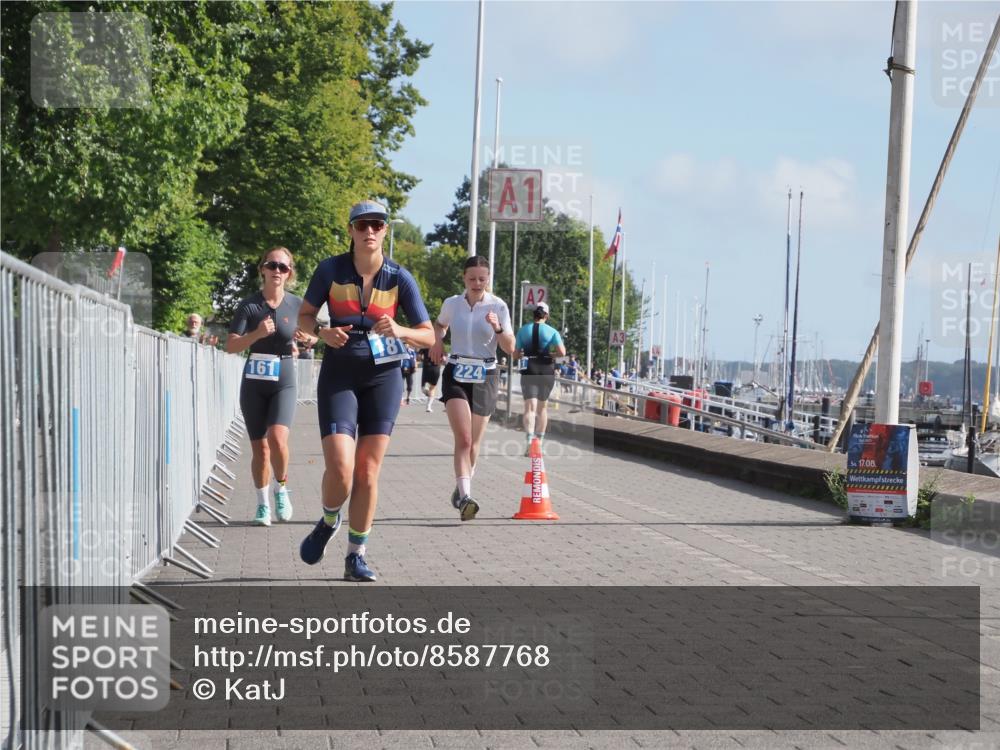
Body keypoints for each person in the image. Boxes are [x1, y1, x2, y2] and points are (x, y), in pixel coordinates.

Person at [297, 200, 434, 582]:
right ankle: (328, 520)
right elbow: (304, 317)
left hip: (383, 376)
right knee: (341, 469)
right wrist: (322, 331)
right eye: (362, 225)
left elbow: (429, 335)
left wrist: (402, 331)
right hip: (340, 372)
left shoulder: (399, 278)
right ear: (352, 230)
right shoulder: (331, 269)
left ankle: (356, 555)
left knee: (368, 472)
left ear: (386, 230)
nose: (369, 231)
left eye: (377, 225)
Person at [225, 247, 316, 527]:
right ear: (262, 269)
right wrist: (256, 334)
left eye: (283, 267)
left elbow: (313, 333)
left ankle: (282, 488)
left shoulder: (297, 305)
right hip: (254, 381)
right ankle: (262, 505)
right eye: (272, 265)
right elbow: (231, 345)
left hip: (284, 378)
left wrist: (311, 340)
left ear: (290, 273)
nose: (277, 271)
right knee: (260, 450)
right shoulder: (249, 305)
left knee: (277, 438)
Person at [430, 256, 515, 520]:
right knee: (463, 439)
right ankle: (466, 496)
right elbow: (440, 325)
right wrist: (437, 342)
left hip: (485, 374)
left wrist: (497, 328)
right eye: (472, 278)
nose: (477, 283)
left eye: (482, 279)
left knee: (475, 443)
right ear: (463, 278)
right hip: (457, 371)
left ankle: (462, 484)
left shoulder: (498, 306)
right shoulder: (452, 304)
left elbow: (510, 348)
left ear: (488, 278)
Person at [513, 301, 566, 455]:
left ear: (534, 314)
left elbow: (515, 354)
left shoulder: (523, 330)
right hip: (546, 369)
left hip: (529, 368)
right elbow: (562, 352)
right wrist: (551, 354)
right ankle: (539, 443)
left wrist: (522, 354)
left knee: (529, 408)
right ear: (546, 316)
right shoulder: (552, 331)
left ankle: (529, 441)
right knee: (542, 408)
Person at [419, 347, 440, 412]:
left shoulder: (425, 344)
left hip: (427, 367)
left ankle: (427, 393)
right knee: (432, 388)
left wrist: (423, 360)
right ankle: (428, 406)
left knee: (423, 387)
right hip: (436, 368)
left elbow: (419, 356)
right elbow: (444, 359)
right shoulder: (439, 345)